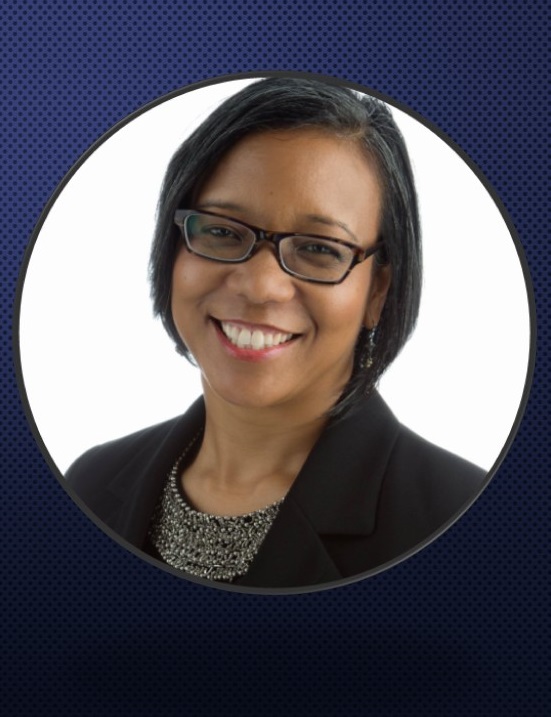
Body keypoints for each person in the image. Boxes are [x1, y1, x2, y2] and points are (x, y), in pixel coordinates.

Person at [66, 77, 485, 589]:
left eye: (319, 248)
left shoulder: (461, 518)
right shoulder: (90, 483)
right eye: (222, 231)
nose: (261, 286)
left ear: (378, 291)